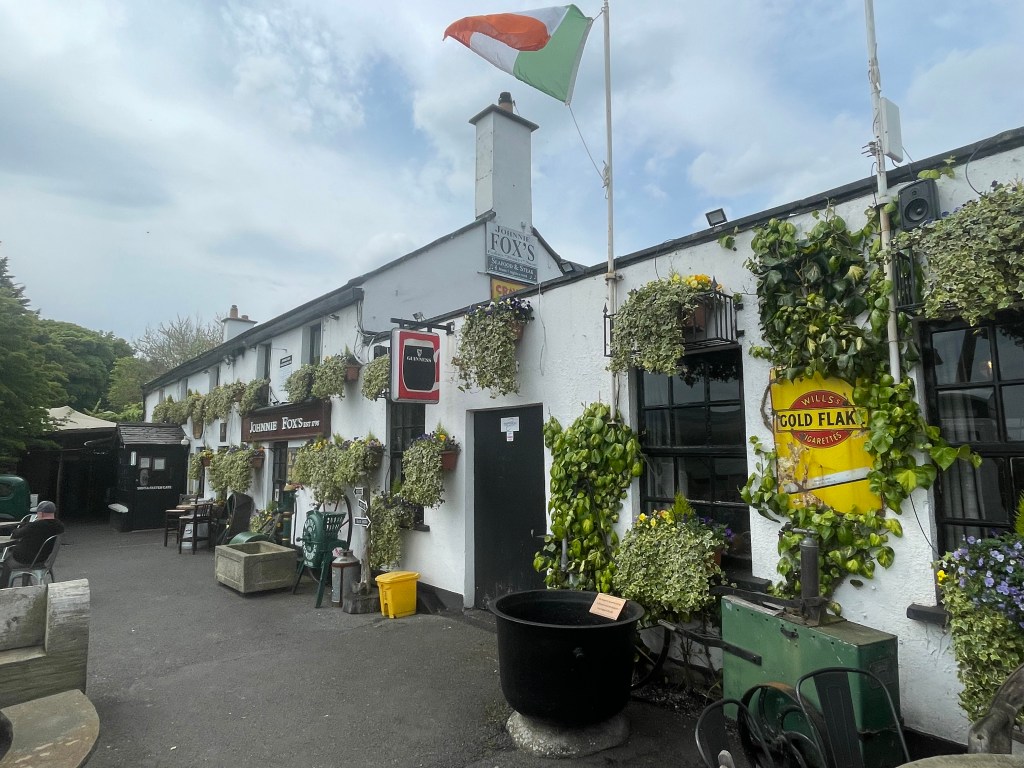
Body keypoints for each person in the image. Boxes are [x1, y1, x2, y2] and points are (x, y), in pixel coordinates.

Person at [0, 500, 65, 587]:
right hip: (44, 559)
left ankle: (3, 589)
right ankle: (25, 586)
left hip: (27, 560)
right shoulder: (60, 526)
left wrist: (25, 526)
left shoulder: (34, 526)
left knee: (6, 563)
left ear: (41, 513)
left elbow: (15, 534)